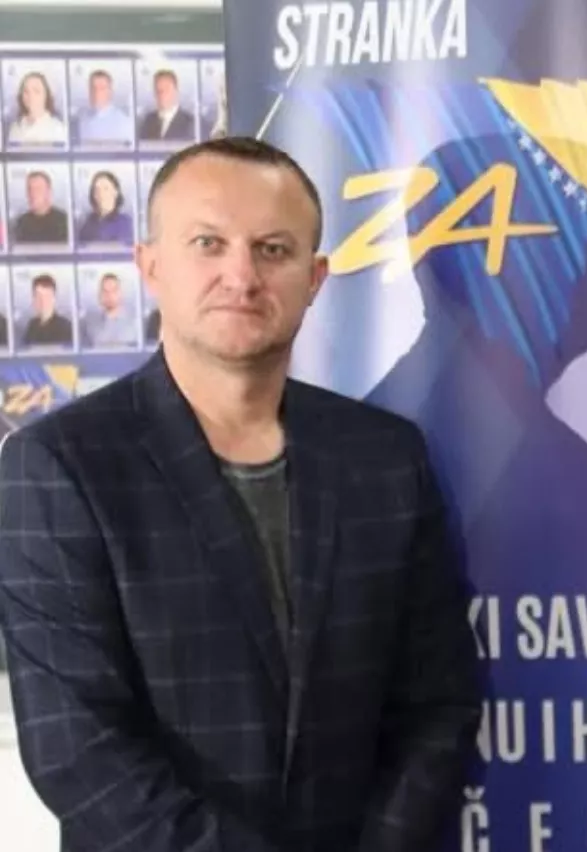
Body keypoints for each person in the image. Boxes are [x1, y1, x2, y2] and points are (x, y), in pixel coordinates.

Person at [0, 136, 483, 851]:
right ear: (150, 266)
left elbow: (437, 703)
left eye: (273, 249)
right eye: (208, 243)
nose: (241, 275)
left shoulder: (386, 458)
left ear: (314, 278)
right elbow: (78, 749)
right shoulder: (58, 466)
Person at [76, 170, 135, 248]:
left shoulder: (125, 223)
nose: (101, 194)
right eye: (97, 190)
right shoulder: (86, 223)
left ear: (116, 192)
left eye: (105, 189)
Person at [8, 70, 66, 146]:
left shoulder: (58, 129)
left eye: (36, 91)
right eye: (26, 91)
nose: (30, 96)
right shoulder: (15, 128)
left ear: (46, 95)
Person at [137, 68, 195, 142]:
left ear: (176, 91)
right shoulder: (147, 121)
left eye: (166, 89)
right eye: (158, 90)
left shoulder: (191, 123)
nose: (162, 94)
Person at [20, 272, 73, 348]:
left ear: (54, 299)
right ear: (33, 299)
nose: (42, 301)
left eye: (47, 297)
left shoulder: (66, 327)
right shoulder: (32, 325)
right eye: (38, 296)